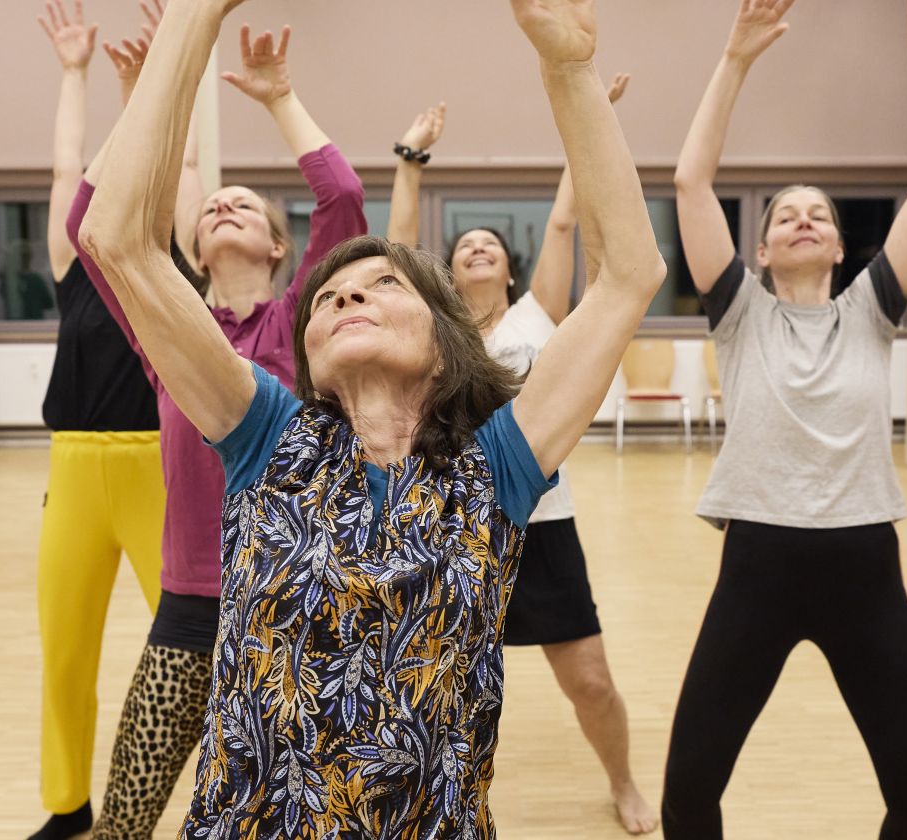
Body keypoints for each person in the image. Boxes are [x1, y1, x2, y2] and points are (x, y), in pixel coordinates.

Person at [75, 0, 665, 834]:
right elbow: (117, 239)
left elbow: (629, 275)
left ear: (444, 342)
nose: (348, 294)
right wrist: (194, 16)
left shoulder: (497, 463)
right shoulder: (266, 436)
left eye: (384, 284)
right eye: (329, 297)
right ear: (308, 353)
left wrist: (569, 72)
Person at [662, 1, 907, 837]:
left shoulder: (872, 309)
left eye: (818, 214)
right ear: (759, 252)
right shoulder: (739, 314)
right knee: (690, 792)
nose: (802, 218)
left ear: (838, 248)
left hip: (865, 565)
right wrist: (735, 60)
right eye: (785, 214)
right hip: (758, 563)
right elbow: (690, 184)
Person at [74, 14, 369, 840]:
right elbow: (90, 227)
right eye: (211, 207)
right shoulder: (169, 335)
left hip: (297, 601)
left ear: (278, 248)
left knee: (295, 814)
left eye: (244, 204)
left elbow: (343, 199)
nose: (225, 204)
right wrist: (147, 96)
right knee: (124, 818)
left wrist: (278, 98)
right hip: (190, 603)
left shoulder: (303, 324)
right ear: (197, 251)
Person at [385, 74, 658, 836]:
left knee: (591, 682)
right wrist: (410, 161)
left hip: (543, 526)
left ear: (509, 270)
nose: (477, 248)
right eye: (465, 246)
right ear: (449, 273)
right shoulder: (434, 336)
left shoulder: (539, 316)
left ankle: (624, 782)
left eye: (491, 246)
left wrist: (588, 115)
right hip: (452, 529)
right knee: (429, 687)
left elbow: (566, 221)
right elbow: (397, 253)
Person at [25, 3, 166, 838]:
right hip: (74, 470)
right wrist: (75, 75)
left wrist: (149, 85)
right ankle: (67, 803)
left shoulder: (163, 265)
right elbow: (64, 168)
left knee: (191, 645)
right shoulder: (73, 268)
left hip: (157, 468)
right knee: (65, 648)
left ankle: (231, 789)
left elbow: (173, 162)